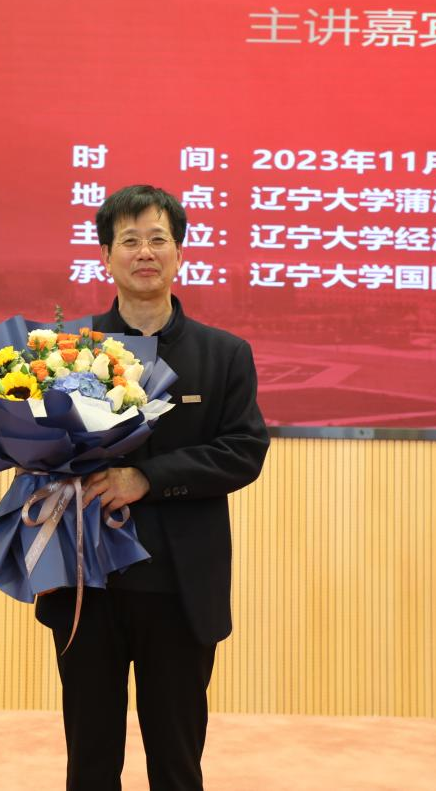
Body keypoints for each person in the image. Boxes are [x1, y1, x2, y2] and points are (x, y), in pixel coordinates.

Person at [35, 185, 270, 790]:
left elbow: (243, 452)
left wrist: (147, 478)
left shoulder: (224, 354)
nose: (145, 252)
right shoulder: (66, 352)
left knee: (177, 761)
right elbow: (36, 453)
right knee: (90, 761)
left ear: (179, 253)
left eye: (158, 239)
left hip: (179, 585)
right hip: (88, 583)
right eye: (130, 240)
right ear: (105, 256)